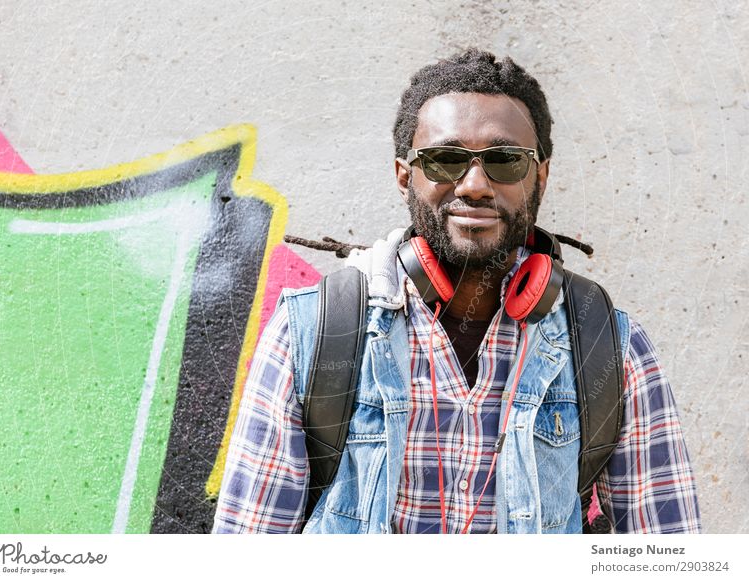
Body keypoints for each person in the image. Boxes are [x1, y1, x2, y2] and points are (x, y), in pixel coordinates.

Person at [212, 48, 702, 534]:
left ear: (541, 176)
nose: (473, 185)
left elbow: (666, 557)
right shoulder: (311, 334)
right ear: (404, 176)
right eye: (445, 160)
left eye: (505, 160)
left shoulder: (610, 347)